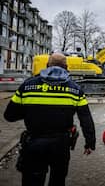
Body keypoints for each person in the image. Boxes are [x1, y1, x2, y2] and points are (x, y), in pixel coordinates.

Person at [4, 52, 96, 186]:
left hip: (34, 143)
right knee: (58, 180)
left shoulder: (27, 86)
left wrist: (31, 112)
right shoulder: (75, 89)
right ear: (66, 67)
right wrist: (90, 143)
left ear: (47, 65)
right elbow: (86, 119)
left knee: (32, 181)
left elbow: (9, 116)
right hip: (61, 145)